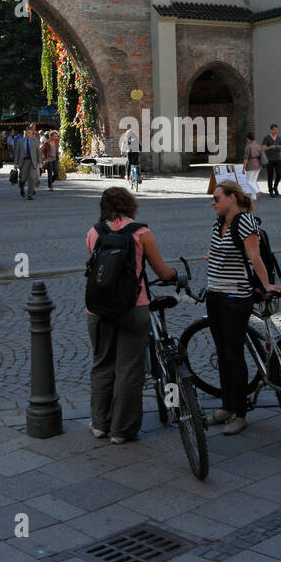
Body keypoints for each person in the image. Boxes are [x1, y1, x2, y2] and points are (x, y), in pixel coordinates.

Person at [85, 187, 181, 445]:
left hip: (98, 309)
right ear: (130, 205)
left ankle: (99, 424)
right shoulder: (141, 233)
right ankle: (122, 430)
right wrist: (175, 276)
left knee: (102, 364)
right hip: (133, 307)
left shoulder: (94, 232)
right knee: (129, 369)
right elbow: (161, 272)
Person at [204, 180, 281, 436]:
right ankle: (227, 407)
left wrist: (267, 285)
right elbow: (221, 251)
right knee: (222, 353)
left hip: (236, 297)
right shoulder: (220, 224)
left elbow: (254, 256)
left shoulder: (245, 222)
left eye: (217, 198)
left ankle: (240, 413)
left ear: (232, 198)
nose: (213, 202)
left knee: (233, 353)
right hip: (215, 295)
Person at [262, 124, 281, 197]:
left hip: (278, 159)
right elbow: (264, 148)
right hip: (269, 160)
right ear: (271, 130)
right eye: (274, 129)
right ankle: (270, 190)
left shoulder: (279, 138)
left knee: (279, 174)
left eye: (276, 129)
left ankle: (275, 187)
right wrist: (271, 146)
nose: (275, 131)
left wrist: (279, 147)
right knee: (270, 176)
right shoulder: (267, 138)